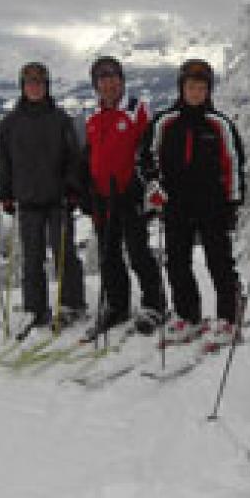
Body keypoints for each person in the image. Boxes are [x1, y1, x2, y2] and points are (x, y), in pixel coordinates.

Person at [141, 58, 246, 346]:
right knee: (176, 263)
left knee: (219, 262)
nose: (196, 92)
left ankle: (228, 318)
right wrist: (154, 185)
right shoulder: (165, 122)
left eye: (202, 87)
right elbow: (146, 159)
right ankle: (188, 315)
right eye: (191, 87)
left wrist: (233, 203)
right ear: (182, 88)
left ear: (208, 91)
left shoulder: (219, 124)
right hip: (175, 205)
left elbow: (234, 166)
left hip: (213, 206)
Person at [80, 55, 168, 337]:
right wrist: (87, 187)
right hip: (103, 196)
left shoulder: (136, 110)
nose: (108, 83)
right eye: (102, 78)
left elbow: (151, 152)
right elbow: (91, 156)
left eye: (113, 77)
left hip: (130, 194)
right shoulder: (93, 117)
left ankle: (154, 304)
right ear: (96, 85)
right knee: (109, 255)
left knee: (138, 251)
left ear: (121, 81)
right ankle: (117, 306)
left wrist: (144, 186)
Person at [0, 61, 87, 331]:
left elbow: (73, 158)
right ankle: (35, 308)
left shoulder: (60, 119)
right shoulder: (11, 122)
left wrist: (73, 189)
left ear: (46, 87)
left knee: (64, 254)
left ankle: (72, 303)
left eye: (39, 83)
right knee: (32, 257)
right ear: (23, 87)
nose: (34, 87)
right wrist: (6, 194)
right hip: (27, 199)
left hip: (58, 199)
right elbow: (5, 161)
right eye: (30, 83)